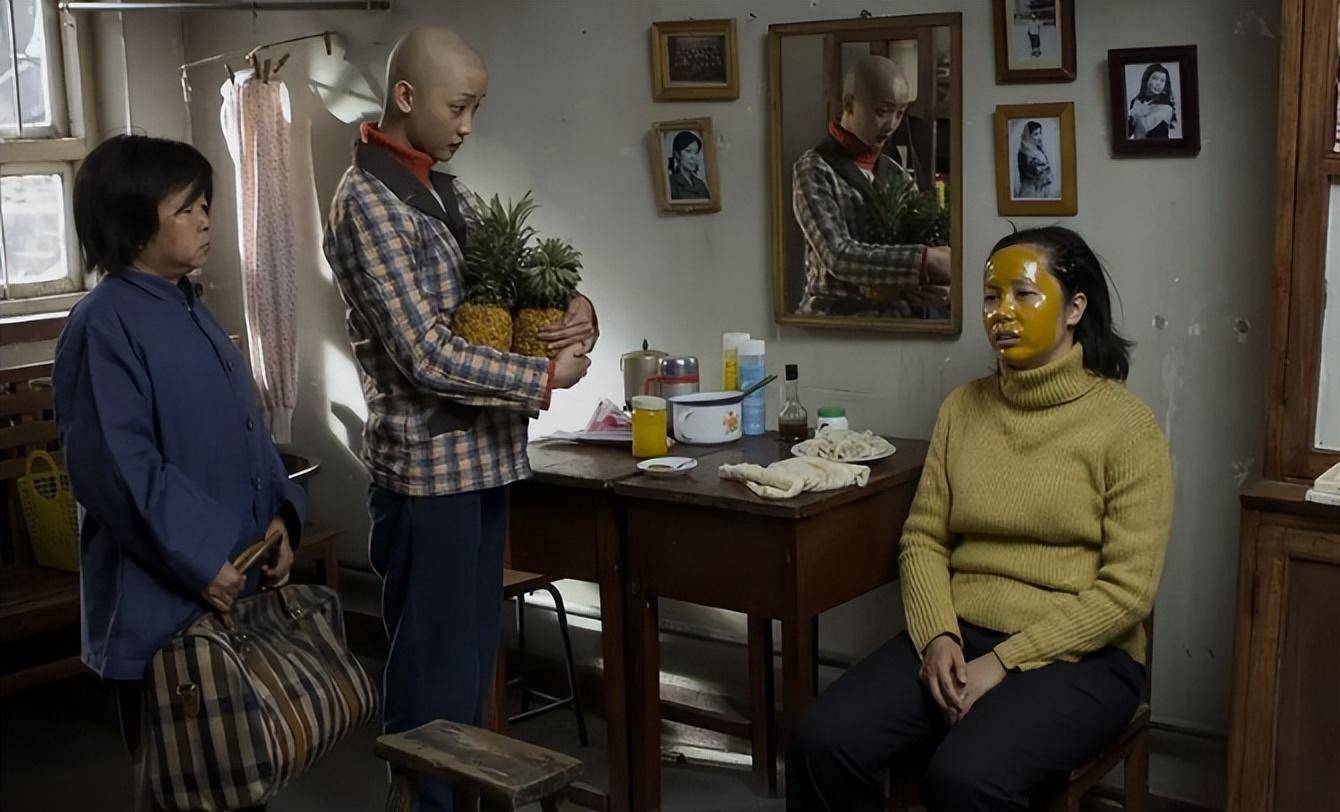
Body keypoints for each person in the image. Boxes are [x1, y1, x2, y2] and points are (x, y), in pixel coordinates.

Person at [787, 226, 1174, 811]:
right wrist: (937, 635)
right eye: (992, 296)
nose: (1001, 312)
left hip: (1084, 655)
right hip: (961, 631)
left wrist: (1003, 662)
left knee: (964, 780)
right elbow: (923, 538)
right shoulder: (962, 409)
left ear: (1075, 309)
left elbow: (1128, 592)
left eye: (1024, 294)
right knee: (822, 741)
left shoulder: (1127, 427)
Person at [322, 26, 595, 812]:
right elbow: (426, 355)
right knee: (432, 684)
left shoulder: (448, 190)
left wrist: (572, 306)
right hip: (428, 477)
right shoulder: (366, 202)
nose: (469, 125)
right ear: (405, 96)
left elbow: (511, 287)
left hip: (482, 463)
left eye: (476, 108)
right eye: (459, 107)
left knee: (470, 672)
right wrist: (542, 375)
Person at [53, 134, 306, 812]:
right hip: (161, 605)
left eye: (205, 205)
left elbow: (248, 432)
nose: (205, 220)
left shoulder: (189, 306)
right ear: (133, 220)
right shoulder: (102, 324)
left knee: (239, 782)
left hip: (229, 586)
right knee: (182, 792)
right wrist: (203, 560)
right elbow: (118, 469)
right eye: (187, 208)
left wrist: (281, 519)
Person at [792, 55, 952, 319]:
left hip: (892, 321)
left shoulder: (897, 174)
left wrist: (942, 288)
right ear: (849, 104)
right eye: (882, 111)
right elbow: (838, 256)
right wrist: (925, 260)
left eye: (899, 113)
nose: (891, 124)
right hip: (831, 322)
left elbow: (926, 244)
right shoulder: (815, 168)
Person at [1128, 63, 1177, 139]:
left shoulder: (1166, 107)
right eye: (1155, 78)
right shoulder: (1135, 101)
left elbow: (1144, 127)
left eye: (1162, 81)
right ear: (1147, 79)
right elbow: (1127, 132)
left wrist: (1135, 113)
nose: (1158, 83)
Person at [1015, 120, 1055, 199]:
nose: (1039, 136)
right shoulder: (1023, 153)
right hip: (1030, 191)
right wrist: (1044, 169)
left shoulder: (1040, 149)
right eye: (1035, 134)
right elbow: (1030, 172)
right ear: (1028, 136)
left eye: (1040, 133)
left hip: (1043, 190)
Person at [668, 130, 710, 200]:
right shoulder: (670, 183)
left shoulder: (700, 184)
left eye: (696, 152)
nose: (693, 157)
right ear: (677, 154)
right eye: (688, 151)